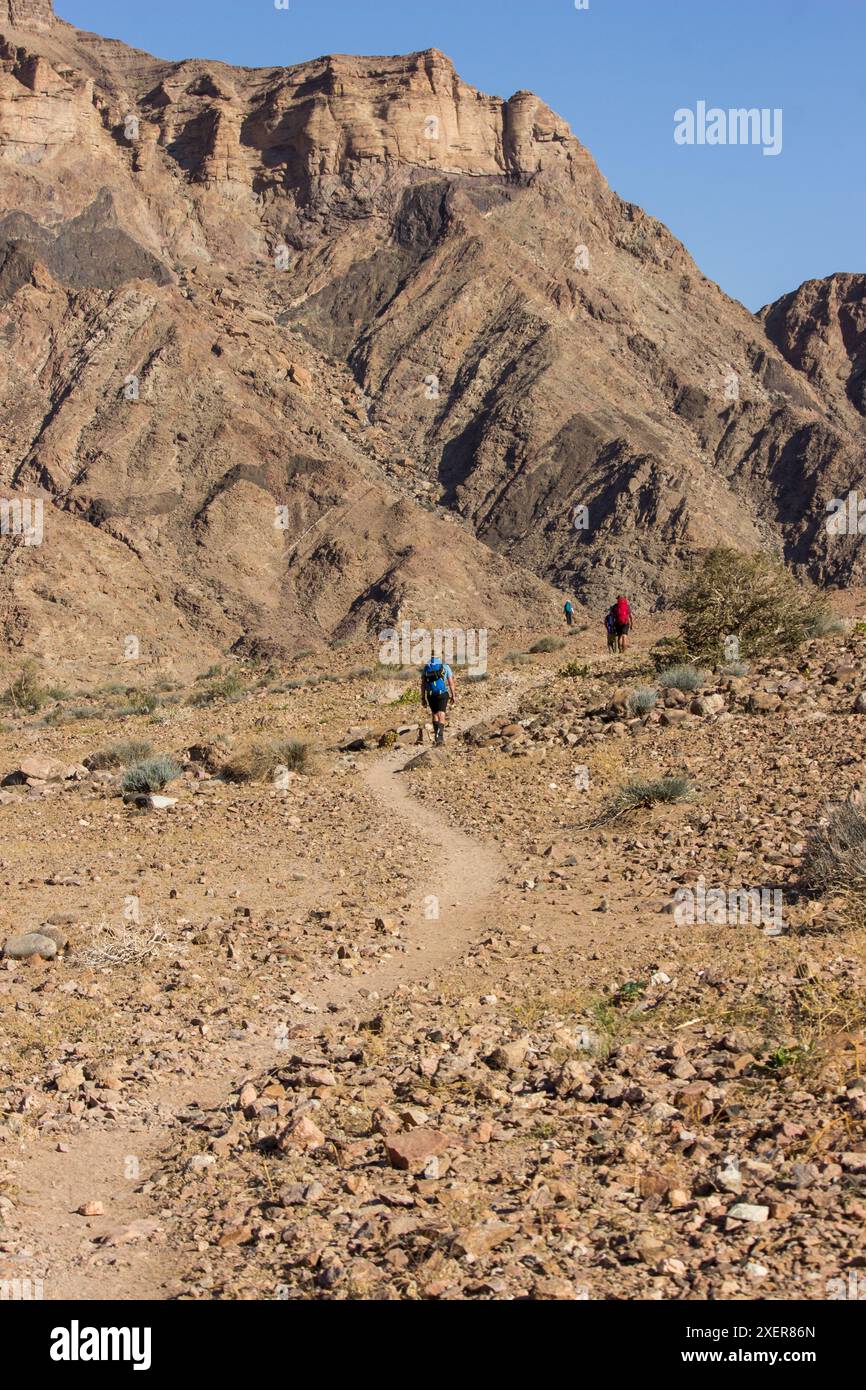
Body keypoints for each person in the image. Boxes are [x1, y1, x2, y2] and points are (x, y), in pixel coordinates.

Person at [421, 656, 456, 745]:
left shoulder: (426, 667)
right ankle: (439, 737)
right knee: (442, 713)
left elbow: (423, 684)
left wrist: (423, 698)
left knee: (435, 714)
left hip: (430, 694)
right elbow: (451, 683)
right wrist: (453, 696)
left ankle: (437, 737)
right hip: (442, 693)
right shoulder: (445, 666)